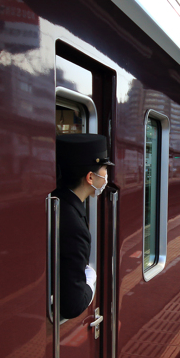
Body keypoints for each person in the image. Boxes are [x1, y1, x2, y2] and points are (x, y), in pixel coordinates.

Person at [51, 133, 113, 320]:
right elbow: (72, 304)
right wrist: (90, 282)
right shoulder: (73, 225)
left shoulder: (57, 200)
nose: (106, 175)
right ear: (90, 178)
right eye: (104, 169)